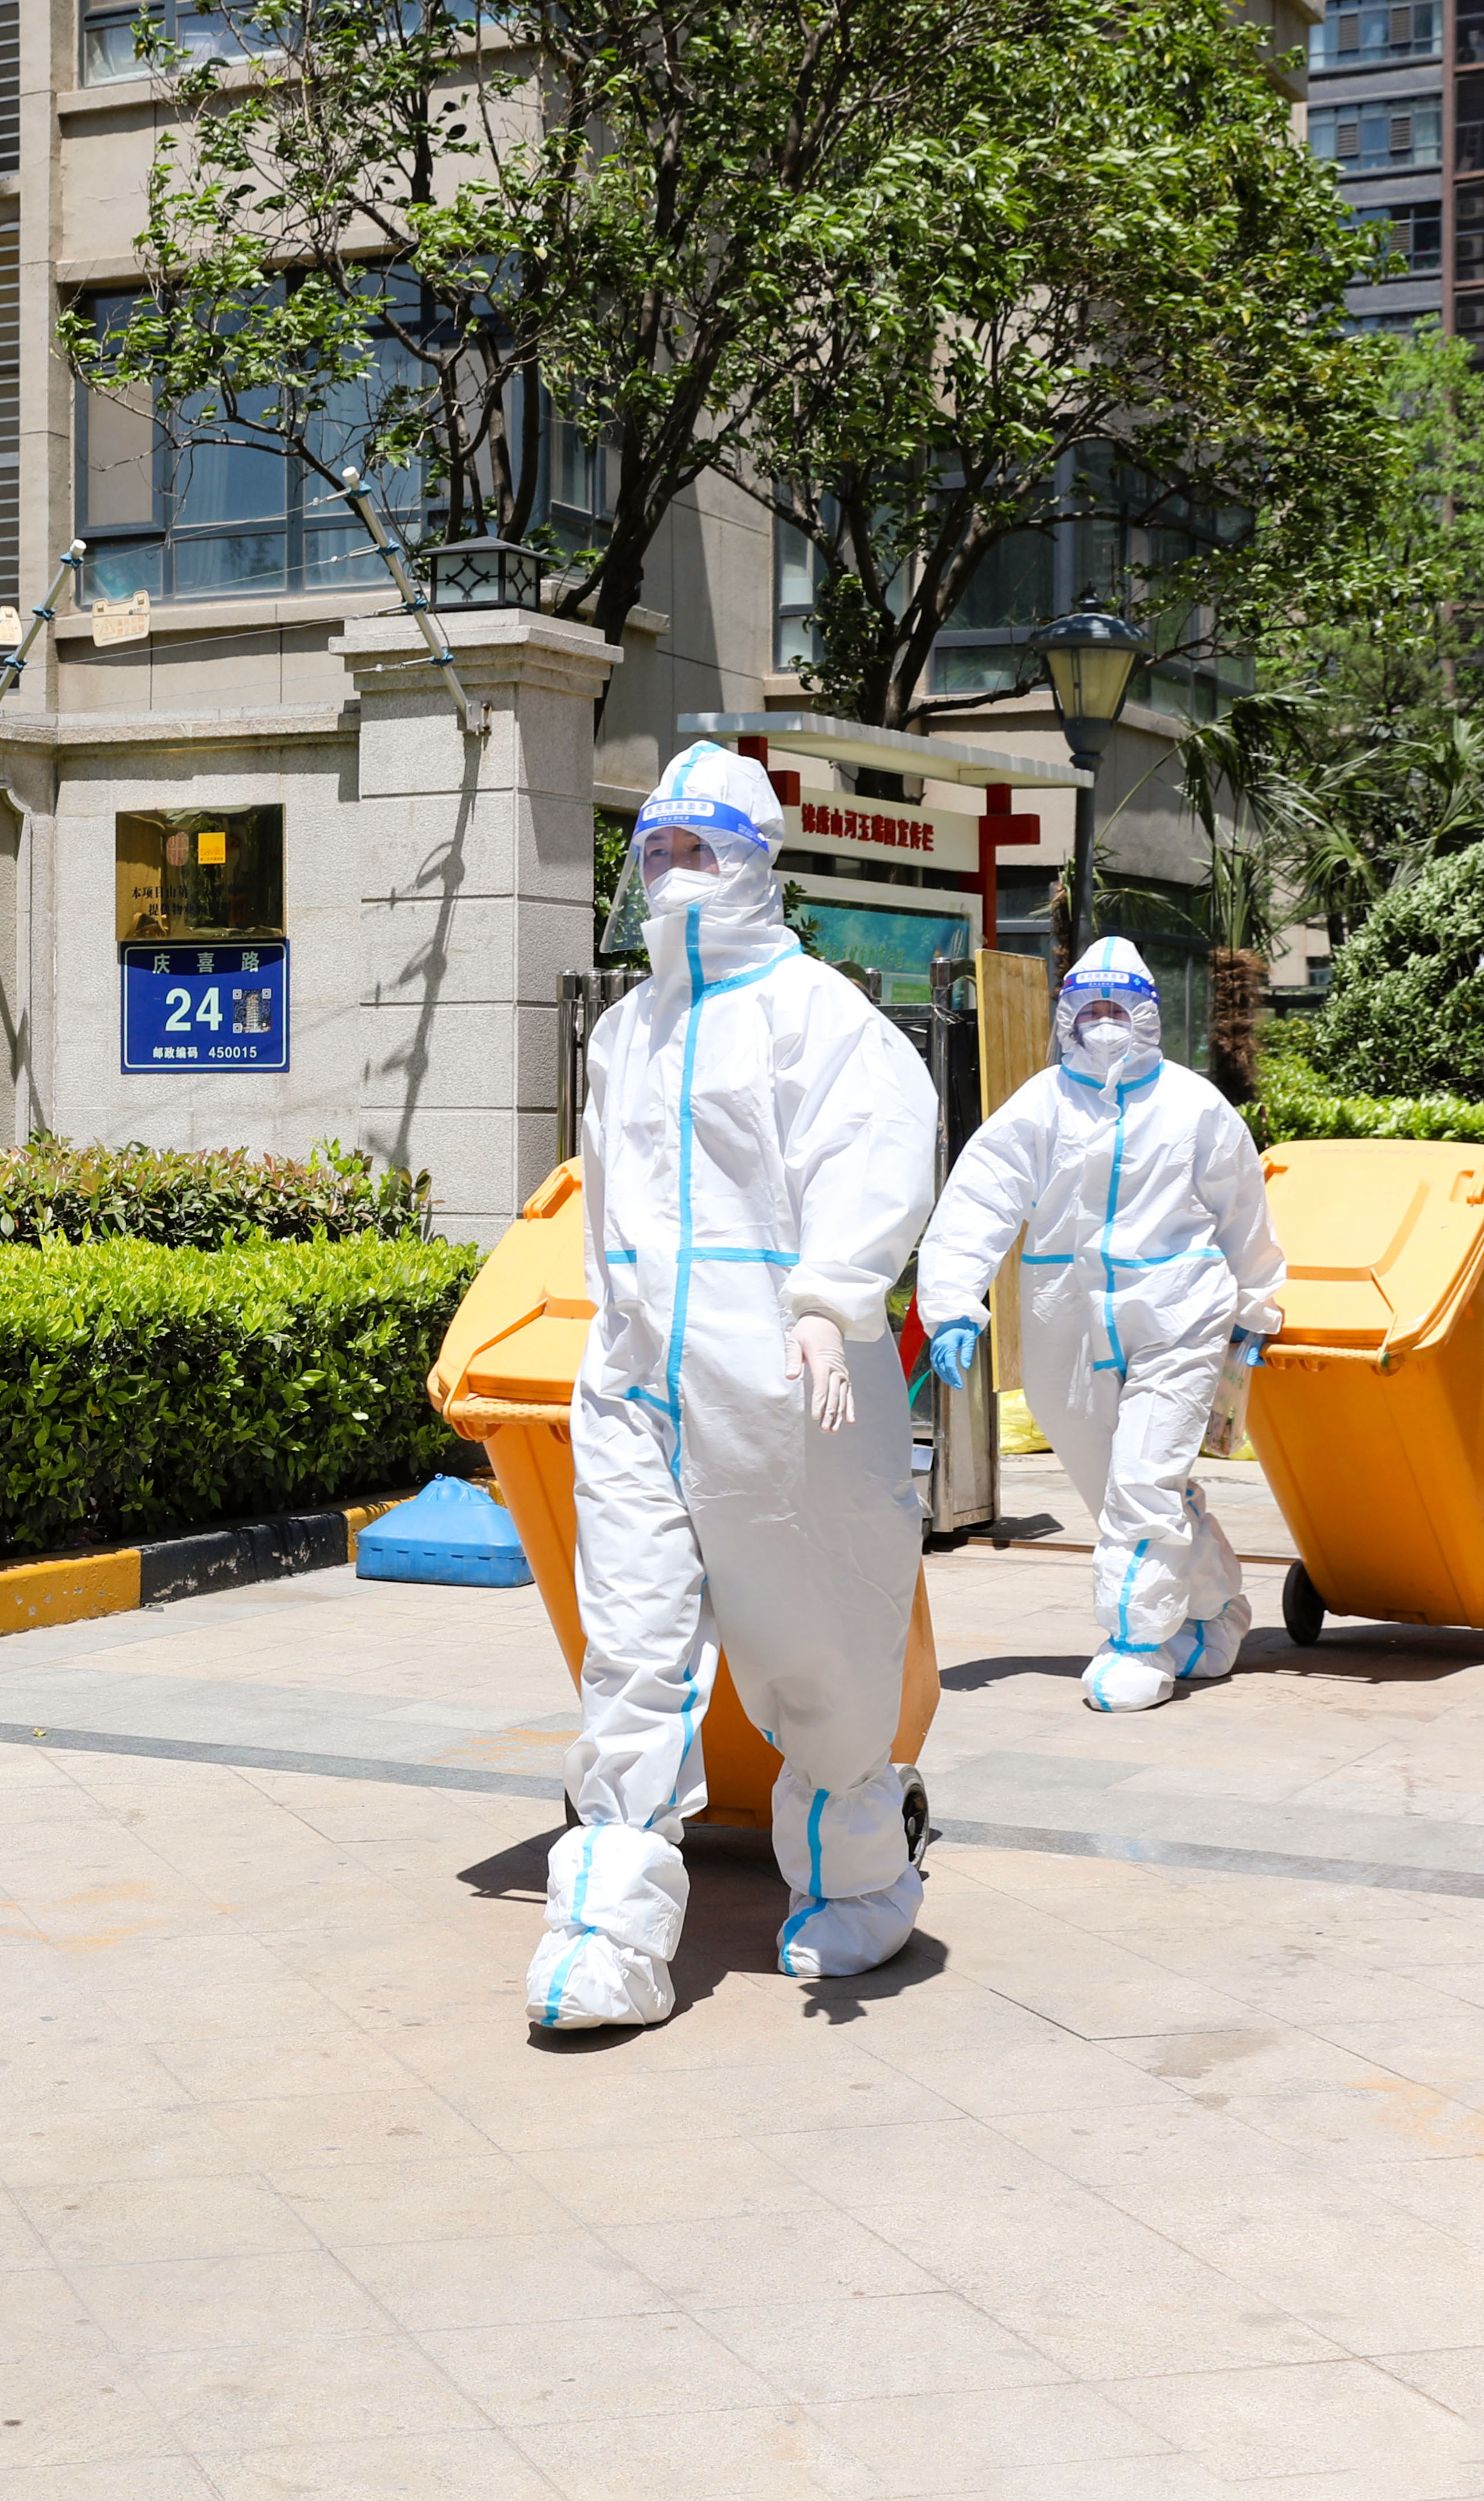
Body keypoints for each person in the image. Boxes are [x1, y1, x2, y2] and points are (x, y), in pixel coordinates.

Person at [525, 744, 940, 2029]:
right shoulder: (626, 1030)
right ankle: (608, 1937)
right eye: (654, 852)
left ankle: (861, 1879)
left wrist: (829, 1297)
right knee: (632, 1654)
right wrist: (611, 1342)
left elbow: (878, 1147)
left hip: (787, 1389)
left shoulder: (820, 1015)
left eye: (696, 850)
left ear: (756, 862)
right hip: (639, 1382)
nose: (671, 874)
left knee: (818, 1651)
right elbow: (609, 1203)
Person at [916, 938, 1286, 1713]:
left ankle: (1136, 1644)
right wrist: (951, 1303)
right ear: (1068, 1018)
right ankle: (1216, 1606)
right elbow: (982, 1196)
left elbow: (1243, 1208)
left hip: (1177, 1311)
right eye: (1090, 1008)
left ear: (1148, 1016)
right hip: (1067, 1315)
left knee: (1144, 1481)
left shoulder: (1193, 1105)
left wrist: (1257, 1302)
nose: (1104, 1022)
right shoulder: (1042, 1104)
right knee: (1112, 1481)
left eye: (1118, 1007)